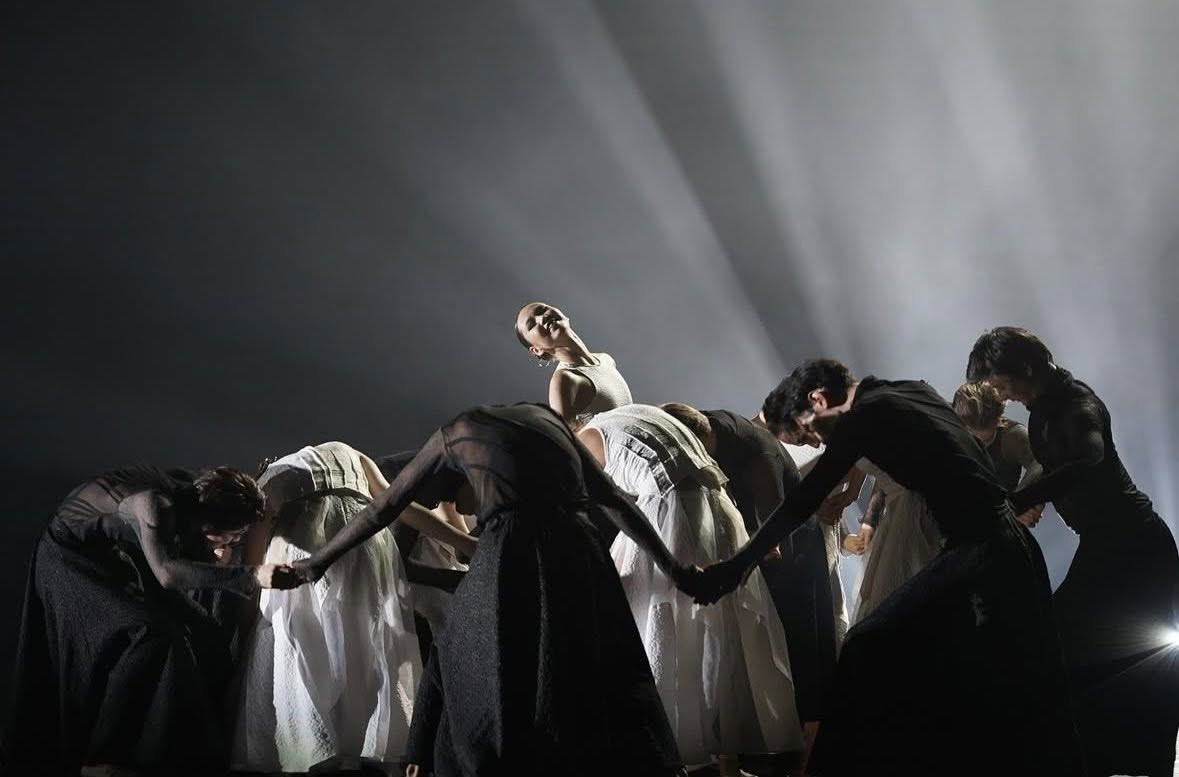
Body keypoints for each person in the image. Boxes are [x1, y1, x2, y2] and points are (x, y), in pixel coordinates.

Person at [697, 359, 1081, 777]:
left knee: (866, 645)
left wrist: (734, 567)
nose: (818, 441)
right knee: (982, 672)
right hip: (992, 547)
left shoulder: (867, 415)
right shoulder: (908, 391)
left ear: (818, 400)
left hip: (984, 550)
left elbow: (802, 501)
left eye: (811, 431)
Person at [289, 404, 699, 777]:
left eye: (456, 503)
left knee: (485, 664)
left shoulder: (458, 432)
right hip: (581, 549)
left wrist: (315, 563)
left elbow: (383, 508)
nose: (462, 512)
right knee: (592, 664)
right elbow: (614, 501)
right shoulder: (545, 419)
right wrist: (676, 570)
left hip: (515, 548)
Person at [968, 326, 1179, 777]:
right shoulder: (1042, 411)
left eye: (999, 382)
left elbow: (1088, 457)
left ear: (1025, 368)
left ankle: (1148, 764)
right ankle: (1094, 758)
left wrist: (1017, 502)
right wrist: (1030, 502)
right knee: (1077, 651)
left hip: (1137, 549)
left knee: (1144, 659)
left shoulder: (1078, 405)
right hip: (1105, 545)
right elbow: (1055, 470)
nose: (998, 394)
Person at [5, 466, 297, 775]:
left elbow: (178, 546)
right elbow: (167, 574)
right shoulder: (155, 504)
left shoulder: (195, 493)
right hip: (71, 557)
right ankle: (102, 755)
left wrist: (212, 554)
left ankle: (195, 747)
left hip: (116, 551)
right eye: (235, 534)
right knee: (150, 633)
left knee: (205, 631)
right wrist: (253, 575)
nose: (236, 541)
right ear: (211, 521)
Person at [580, 404, 802, 774]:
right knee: (718, 632)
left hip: (672, 509)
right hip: (718, 507)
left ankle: (663, 751)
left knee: (657, 621)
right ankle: (725, 759)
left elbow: (605, 502)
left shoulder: (584, 442)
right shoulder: (634, 415)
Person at [232, 441, 476, 773]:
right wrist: (464, 542)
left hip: (305, 548)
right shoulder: (344, 450)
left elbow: (253, 569)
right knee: (366, 647)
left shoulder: (265, 486)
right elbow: (399, 504)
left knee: (302, 649)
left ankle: (313, 750)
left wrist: (245, 634)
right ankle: (357, 747)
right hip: (366, 546)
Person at [514, 301, 633, 429]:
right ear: (537, 350)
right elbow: (564, 437)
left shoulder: (605, 359)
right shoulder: (564, 379)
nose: (542, 318)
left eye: (543, 310)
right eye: (532, 324)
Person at [953, 380, 1044, 524]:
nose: (980, 444)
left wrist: (1019, 503)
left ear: (999, 418)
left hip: (998, 516)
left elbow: (1040, 463)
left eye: (987, 438)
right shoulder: (947, 427)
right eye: (973, 437)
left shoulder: (1012, 437)